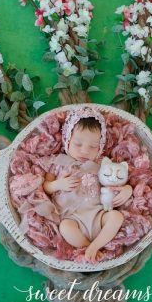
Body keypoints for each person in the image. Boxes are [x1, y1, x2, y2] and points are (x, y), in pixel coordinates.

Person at [42, 107, 133, 263]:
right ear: (67, 139)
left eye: (93, 146)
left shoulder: (101, 164)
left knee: (116, 217)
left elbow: (119, 178)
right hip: (73, 218)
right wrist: (58, 185)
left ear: (101, 145)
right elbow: (46, 186)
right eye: (78, 144)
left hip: (99, 215)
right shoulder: (58, 162)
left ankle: (95, 246)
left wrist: (127, 189)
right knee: (65, 227)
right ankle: (87, 247)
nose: (85, 151)